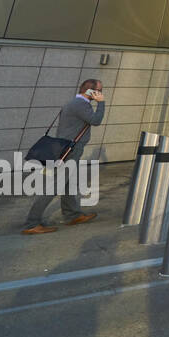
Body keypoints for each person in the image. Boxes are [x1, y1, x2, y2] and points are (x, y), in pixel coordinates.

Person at [24, 80, 105, 235]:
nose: (101, 94)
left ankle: (72, 215)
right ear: (90, 92)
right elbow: (96, 121)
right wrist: (101, 103)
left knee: (68, 183)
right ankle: (32, 223)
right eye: (99, 91)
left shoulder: (76, 103)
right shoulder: (79, 104)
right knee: (55, 185)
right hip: (69, 151)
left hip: (68, 149)